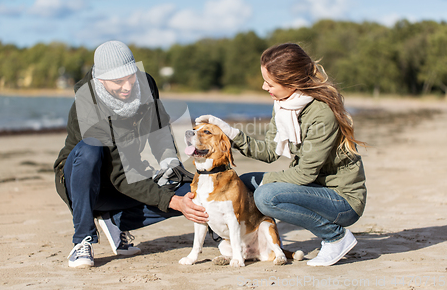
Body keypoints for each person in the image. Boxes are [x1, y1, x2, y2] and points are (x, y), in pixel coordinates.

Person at [196, 43, 367, 267]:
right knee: (244, 183)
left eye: (270, 82)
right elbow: (269, 152)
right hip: (316, 189)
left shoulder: (321, 114)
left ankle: (336, 237)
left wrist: (267, 182)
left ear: (292, 83)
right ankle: (249, 239)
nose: (264, 86)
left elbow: (304, 174)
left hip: (342, 200)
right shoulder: (284, 106)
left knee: (266, 196)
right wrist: (230, 132)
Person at [54, 40, 207, 268]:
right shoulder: (86, 105)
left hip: (128, 174)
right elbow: (120, 174)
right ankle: (82, 240)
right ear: (101, 80)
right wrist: (172, 201)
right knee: (90, 148)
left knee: (191, 194)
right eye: (118, 81)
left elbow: (159, 128)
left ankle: (113, 219)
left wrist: (170, 163)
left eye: (131, 76)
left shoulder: (146, 83)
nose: (127, 86)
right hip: (84, 181)